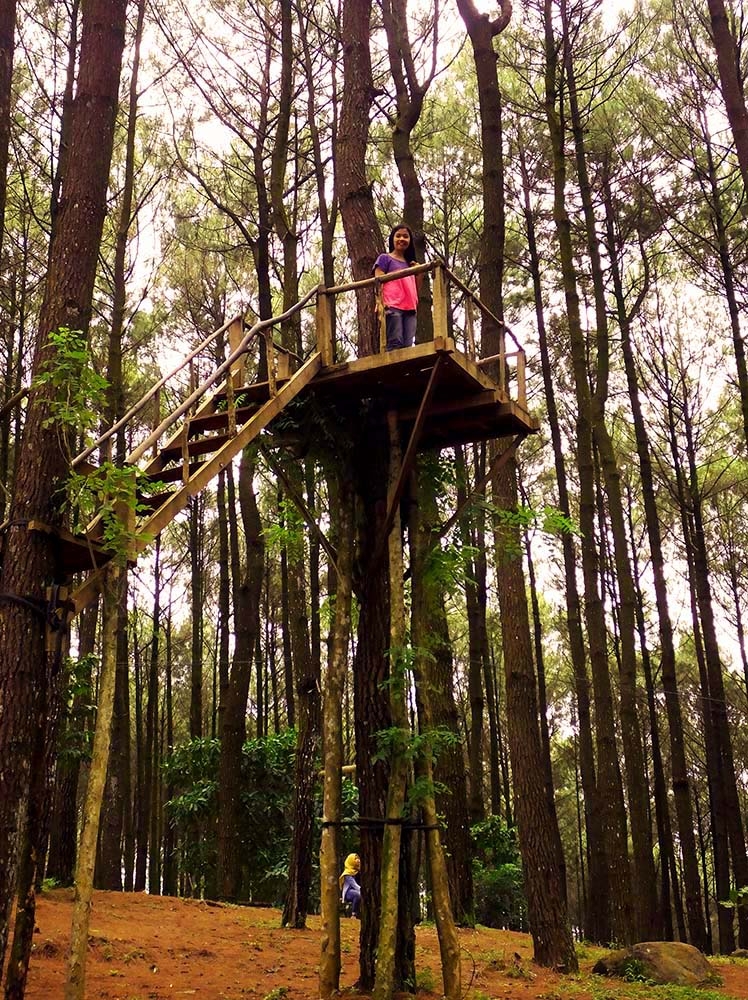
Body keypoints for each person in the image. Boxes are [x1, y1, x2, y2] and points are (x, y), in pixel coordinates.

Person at [374, 224, 419, 351]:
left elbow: (416, 288)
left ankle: (405, 371)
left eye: (405, 236)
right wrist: (380, 303)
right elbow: (378, 282)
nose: (402, 239)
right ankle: (394, 371)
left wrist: (418, 271)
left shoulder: (410, 264)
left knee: (408, 346)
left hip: (410, 307)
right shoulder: (385, 258)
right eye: (398, 236)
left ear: (410, 241)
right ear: (392, 239)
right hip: (392, 304)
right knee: (395, 342)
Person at [339, 852, 361, 918]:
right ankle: (353, 914)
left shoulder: (357, 871)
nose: (358, 860)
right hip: (348, 892)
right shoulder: (348, 874)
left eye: (357, 858)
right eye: (355, 858)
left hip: (356, 890)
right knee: (357, 895)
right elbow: (354, 885)